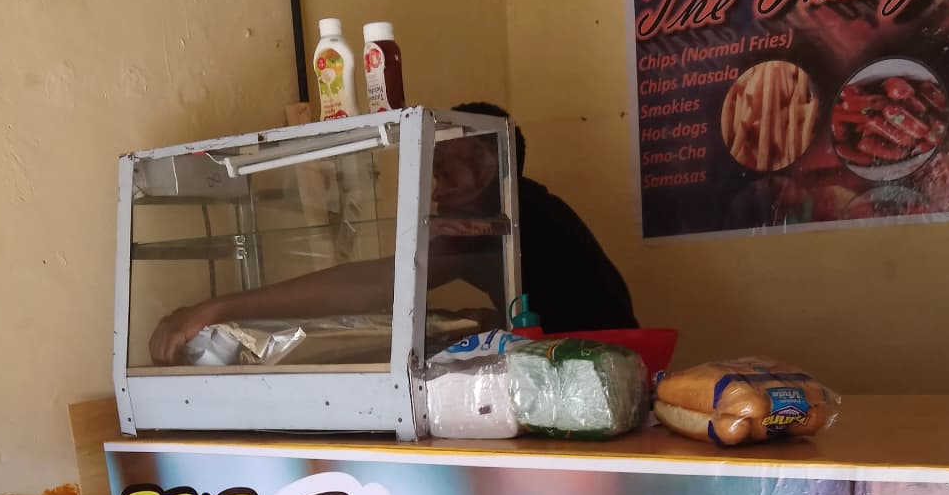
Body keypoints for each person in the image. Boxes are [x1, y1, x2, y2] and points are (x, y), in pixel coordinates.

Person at [149, 101, 635, 364]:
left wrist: (215, 308)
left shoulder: (499, 216)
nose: (446, 175)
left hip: (595, 370)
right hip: (597, 361)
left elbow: (376, 283)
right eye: (439, 158)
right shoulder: (527, 205)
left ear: (501, 169)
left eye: (469, 162)